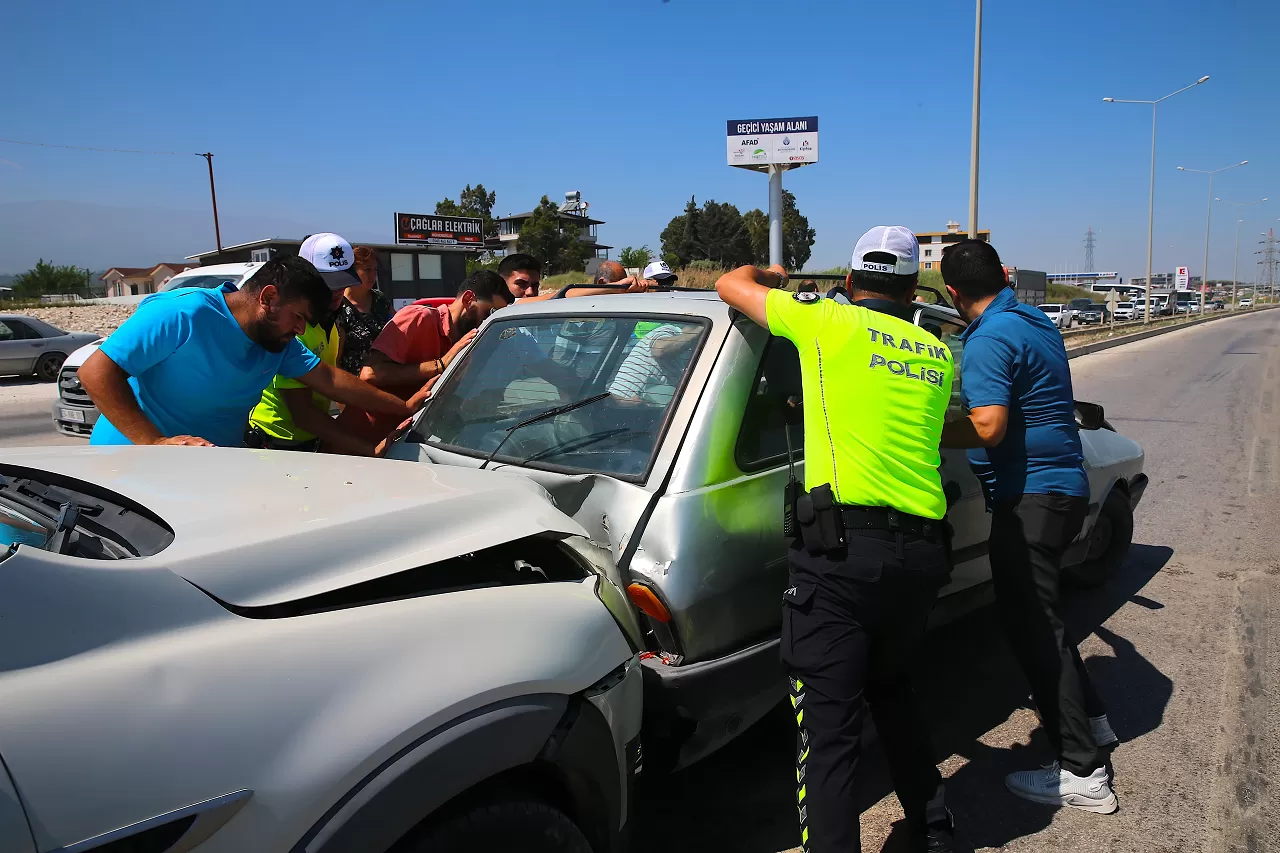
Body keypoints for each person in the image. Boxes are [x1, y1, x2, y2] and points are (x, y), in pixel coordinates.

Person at [715, 226, 957, 853]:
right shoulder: (935, 352)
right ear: (912, 288)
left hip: (844, 554)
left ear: (849, 284)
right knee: (894, 689)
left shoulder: (825, 324)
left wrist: (772, 277)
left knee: (828, 730)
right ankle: (934, 827)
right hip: (923, 554)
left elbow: (727, 284)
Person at [938, 239, 1118, 814]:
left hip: (1029, 499)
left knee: (1034, 630)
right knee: (1047, 621)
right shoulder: (1035, 320)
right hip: (1062, 490)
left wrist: (923, 432)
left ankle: (1082, 771)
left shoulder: (989, 336)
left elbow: (988, 426)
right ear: (1005, 276)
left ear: (952, 292)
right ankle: (1092, 722)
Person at [81, 256, 422, 448]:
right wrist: (154, 443)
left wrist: (403, 406)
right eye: (299, 317)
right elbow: (96, 371)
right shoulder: (183, 313)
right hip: (130, 462)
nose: (301, 330)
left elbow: (330, 379)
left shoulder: (276, 341)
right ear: (269, 298)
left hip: (206, 469)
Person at [247, 234, 419, 455]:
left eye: (343, 281)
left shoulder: (331, 319)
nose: (338, 291)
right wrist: (369, 447)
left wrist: (401, 407)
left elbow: (335, 380)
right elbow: (303, 413)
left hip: (310, 440)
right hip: (276, 444)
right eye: (328, 283)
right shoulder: (294, 329)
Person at [333, 269, 512, 446]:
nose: (488, 322)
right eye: (489, 313)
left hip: (401, 444)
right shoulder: (419, 317)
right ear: (468, 299)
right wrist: (440, 365)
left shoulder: (464, 341)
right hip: (359, 442)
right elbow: (370, 374)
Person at [335, 245, 393, 375]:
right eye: (367, 270)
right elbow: (336, 360)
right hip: (356, 385)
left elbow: (398, 331)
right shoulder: (340, 307)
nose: (373, 275)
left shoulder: (380, 299)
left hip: (387, 377)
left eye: (375, 269)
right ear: (351, 272)